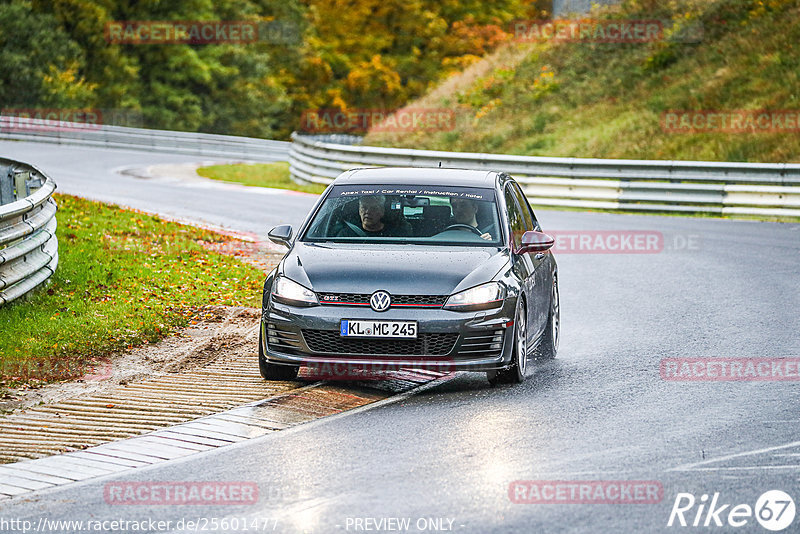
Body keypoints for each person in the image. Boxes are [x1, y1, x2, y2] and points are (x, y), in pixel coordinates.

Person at [337, 194, 410, 237]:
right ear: (359, 210)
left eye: (373, 208)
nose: (367, 212)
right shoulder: (346, 234)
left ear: (382, 211)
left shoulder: (395, 234)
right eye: (364, 208)